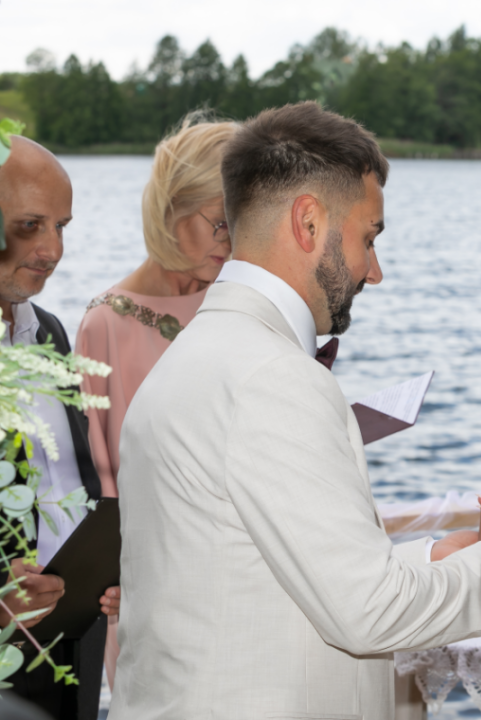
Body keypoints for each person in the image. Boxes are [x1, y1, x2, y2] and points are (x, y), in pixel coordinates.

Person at [109, 102, 481, 720]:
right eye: (369, 238)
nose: (374, 272)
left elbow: (270, 571)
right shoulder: (273, 376)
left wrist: (451, 552)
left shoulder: (199, 351)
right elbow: (366, 611)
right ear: (308, 222)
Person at [74, 116, 238, 686]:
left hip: (240, 570)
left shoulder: (238, 303)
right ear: (171, 208)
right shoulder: (105, 325)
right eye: (220, 222)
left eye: (241, 225)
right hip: (146, 585)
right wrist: (127, 579)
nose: (230, 243)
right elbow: (101, 481)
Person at [0, 137, 105, 719]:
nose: (53, 249)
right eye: (30, 225)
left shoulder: (51, 334)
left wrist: (103, 570)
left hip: (68, 642)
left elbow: (67, 482)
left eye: (61, 226)